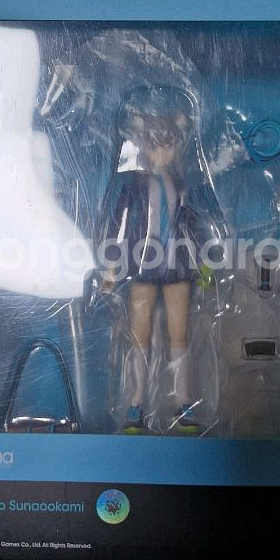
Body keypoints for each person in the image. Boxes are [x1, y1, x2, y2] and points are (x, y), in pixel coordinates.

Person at [100, 86, 213, 435]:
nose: (161, 151)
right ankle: (136, 401)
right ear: (143, 146)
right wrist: (111, 266)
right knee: (140, 333)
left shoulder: (183, 184)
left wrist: (204, 261)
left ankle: (183, 401)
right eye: (154, 144)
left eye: (169, 144)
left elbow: (192, 224)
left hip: (177, 264)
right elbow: (117, 225)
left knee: (179, 332)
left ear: (178, 145)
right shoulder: (132, 185)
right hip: (142, 264)